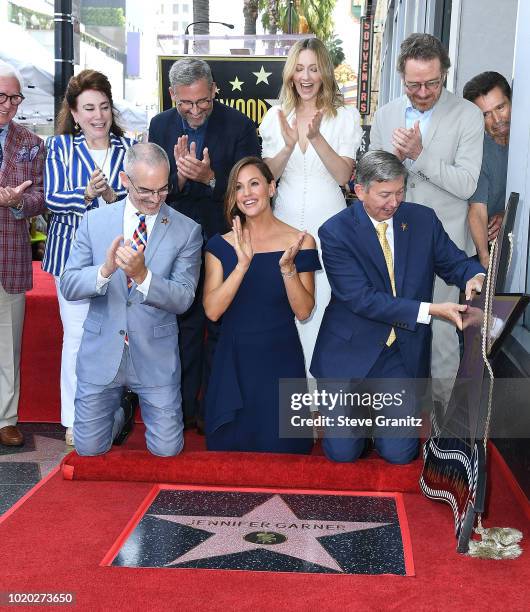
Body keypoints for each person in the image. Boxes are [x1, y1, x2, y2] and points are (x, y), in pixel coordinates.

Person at [311, 150, 485, 464]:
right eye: (385, 194)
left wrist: (473, 275)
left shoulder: (422, 219)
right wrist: (430, 310)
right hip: (349, 354)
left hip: (399, 354)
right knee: (343, 454)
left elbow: (453, 262)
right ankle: (358, 424)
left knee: (400, 455)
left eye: (400, 192)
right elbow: (362, 299)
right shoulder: (335, 232)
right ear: (360, 190)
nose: (394, 202)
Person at [60, 143, 202, 457]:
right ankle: (122, 413)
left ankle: (131, 405)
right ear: (124, 180)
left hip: (155, 355)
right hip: (102, 354)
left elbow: (183, 299)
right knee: (88, 449)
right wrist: (105, 270)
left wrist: (143, 277)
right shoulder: (94, 223)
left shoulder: (187, 231)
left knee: (166, 450)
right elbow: (69, 284)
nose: (155, 199)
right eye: (146, 191)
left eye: (163, 189)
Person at [369, 33, 484, 406]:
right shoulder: (385, 114)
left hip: (444, 245)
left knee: (443, 339)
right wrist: (392, 165)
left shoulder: (467, 114)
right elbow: (373, 177)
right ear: (402, 77)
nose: (422, 92)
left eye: (432, 83)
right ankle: (396, 419)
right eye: (414, 84)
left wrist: (419, 155)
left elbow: (467, 184)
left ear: (445, 74)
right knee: (393, 330)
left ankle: (443, 432)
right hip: (392, 242)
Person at [149, 58, 260, 432]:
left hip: (223, 238)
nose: (195, 111)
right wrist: (178, 179)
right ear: (172, 96)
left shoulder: (241, 126)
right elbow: (154, 193)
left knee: (222, 326)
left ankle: (215, 409)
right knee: (183, 327)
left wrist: (213, 179)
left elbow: (252, 188)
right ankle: (180, 411)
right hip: (174, 241)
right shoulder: (159, 126)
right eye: (186, 104)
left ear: (214, 90)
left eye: (202, 102)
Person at [203, 156, 320, 453]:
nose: (247, 193)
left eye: (254, 183)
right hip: (234, 363)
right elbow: (212, 311)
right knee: (230, 463)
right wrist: (242, 265)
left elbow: (304, 310)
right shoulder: (220, 245)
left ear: (271, 187)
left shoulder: (300, 242)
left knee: (288, 458)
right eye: (239, 188)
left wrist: (287, 270)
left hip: (281, 360)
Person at [43, 70, 135, 446]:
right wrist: (84, 194)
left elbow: (140, 203)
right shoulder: (59, 147)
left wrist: (114, 199)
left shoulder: (129, 149)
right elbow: (51, 199)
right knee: (78, 337)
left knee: (114, 338)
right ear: (75, 113)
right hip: (71, 262)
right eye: (89, 108)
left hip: (118, 261)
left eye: (104, 107)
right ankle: (73, 418)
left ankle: (109, 414)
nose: (98, 115)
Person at [260, 38, 362, 374]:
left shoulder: (344, 117)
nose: (306, 77)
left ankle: (324, 400)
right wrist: (289, 146)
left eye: (313, 69)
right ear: (290, 73)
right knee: (288, 303)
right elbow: (267, 177)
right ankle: (292, 391)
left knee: (326, 305)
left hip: (330, 224)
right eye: (299, 68)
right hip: (284, 220)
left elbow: (344, 174)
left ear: (324, 74)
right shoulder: (276, 117)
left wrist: (316, 138)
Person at [0, 61, 45, 447]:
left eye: (15, 97)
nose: (9, 105)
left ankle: (6, 419)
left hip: (10, 256)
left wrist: (17, 203)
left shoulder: (33, 143)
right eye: (2, 96)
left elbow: (40, 198)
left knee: (8, 345)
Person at [463, 72, 512, 269]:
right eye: (485, 114)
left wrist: (506, 214)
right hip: (492, 244)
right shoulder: (477, 151)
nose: (497, 119)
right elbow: (477, 210)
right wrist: (485, 263)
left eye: (500, 107)